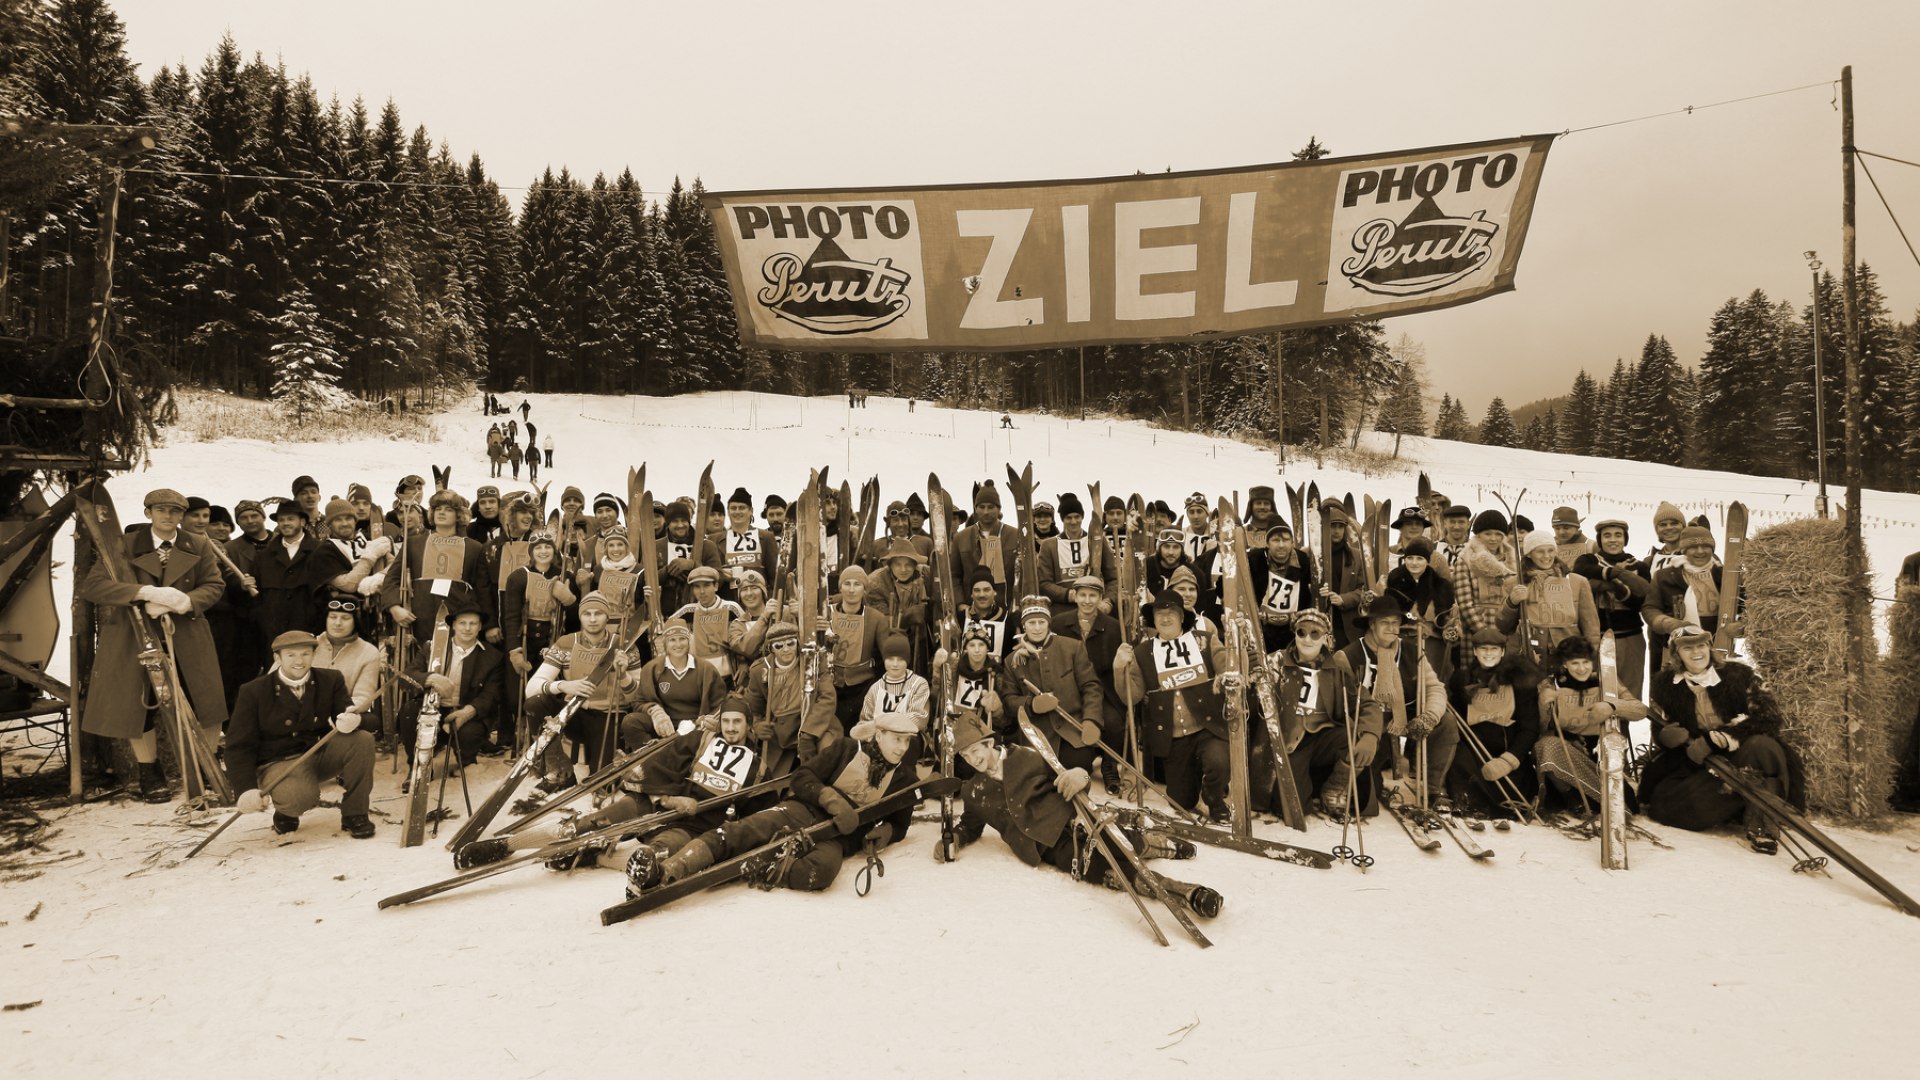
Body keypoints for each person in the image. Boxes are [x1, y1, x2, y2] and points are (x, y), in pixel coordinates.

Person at [952, 711, 1221, 917]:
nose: (972, 759)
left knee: (1121, 844)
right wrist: (953, 839)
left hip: (1074, 819)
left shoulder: (1028, 756)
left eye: (974, 751)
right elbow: (970, 825)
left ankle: (1159, 845)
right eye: (964, 756)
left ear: (988, 743)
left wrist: (1079, 776)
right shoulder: (973, 791)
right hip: (1046, 847)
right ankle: (1186, 893)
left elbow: (1067, 777)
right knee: (1107, 873)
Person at [77, 488, 231, 803]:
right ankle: (150, 772)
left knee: (207, 702)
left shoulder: (198, 544)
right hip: (133, 637)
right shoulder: (123, 544)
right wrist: (144, 592)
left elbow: (214, 585)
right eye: (161, 510)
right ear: (148, 513)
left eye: (175, 511)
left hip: (186, 633)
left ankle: (206, 764)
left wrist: (184, 600)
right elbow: (93, 587)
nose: (168, 516)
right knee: (139, 706)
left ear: (182, 517)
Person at [1639, 624, 1802, 853]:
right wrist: (1665, 737)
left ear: (1709, 647)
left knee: (1762, 746)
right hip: (1707, 764)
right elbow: (1661, 727)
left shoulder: (1740, 675)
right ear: (1677, 654)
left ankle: (1762, 823)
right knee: (1665, 806)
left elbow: (1769, 718)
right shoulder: (1665, 685)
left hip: (1747, 753)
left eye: (1701, 645)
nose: (1697, 652)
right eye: (1687, 648)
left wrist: (1723, 738)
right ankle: (1742, 801)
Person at [226, 630, 376, 839]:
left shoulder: (330, 680)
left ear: (314, 655)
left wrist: (356, 720)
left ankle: (355, 813)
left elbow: (360, 718)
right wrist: (245, 789)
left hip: (318, 752)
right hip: (279, 762)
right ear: (277, 658)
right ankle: (286, 811)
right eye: (291, 655)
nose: (299, 661)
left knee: (362, 740)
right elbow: (238, 746)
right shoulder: (254, 691)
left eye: (305, 654)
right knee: (297, 798)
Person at [1115, 590, 1238, 822]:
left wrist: (1233, 650)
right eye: (1160, 613)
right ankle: (1195, 792)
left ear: (1182, 617)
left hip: (1207, 726)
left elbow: (1227, 666)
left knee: (1219, 762)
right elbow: (1132, 696)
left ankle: (1213, 798)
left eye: (1172, 612)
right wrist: (1119, 668)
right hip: (1172, 736)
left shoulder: (1204, 640)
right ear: (1153, 619)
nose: (1165, 617)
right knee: (1181, 802)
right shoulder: (1143, 652)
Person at [1262, 607, 1380, 822]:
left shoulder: (1336, 667)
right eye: (1301, 632)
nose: (1307, 639)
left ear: (1325, 637)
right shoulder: (1276, 662)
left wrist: (1370, 734)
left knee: (1351, 737)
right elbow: (1255, 683)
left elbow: (1365, 703)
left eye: (1315, 634)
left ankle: (1335, 789)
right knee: (1292, 809)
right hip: (1291, 742)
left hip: (1324, 737)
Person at [1335, 596, 1446, 817]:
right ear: (1371, 624)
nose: (1391, 628)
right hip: (1366, 723)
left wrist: (1430, 716)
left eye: (1395, 623)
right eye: (1385, 622)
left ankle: (1433, 791)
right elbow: (1339, 705)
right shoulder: (1347, 656)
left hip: (1401, 716)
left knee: (1447, 722)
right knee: (1366, 799)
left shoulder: (1412, 652)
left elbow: (1435, 687)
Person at [524, 591, 640, 782]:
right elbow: (532, 688)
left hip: (608, 716)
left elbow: (637, 698)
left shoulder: (624, 646)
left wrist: (623, 676)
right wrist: (564, 686)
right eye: (587, 614)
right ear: (580, 616)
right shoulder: (566, 643)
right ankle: (559, 766)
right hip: (573, 714)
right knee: (536, 704)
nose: (593, 619)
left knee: (602, 782)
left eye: (598, 613)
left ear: (607, 616)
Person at [1533, 636, 1647, 813]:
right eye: (1575, 663)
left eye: (1586, 662)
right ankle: (1573, 800)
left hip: (1598, 753)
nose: (1581, 668)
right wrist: (1542, 704)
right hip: (1569, 753)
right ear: (1565, 664)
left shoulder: (1605, 681)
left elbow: (1640, 710)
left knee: (1627, 804)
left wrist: (1611, 706)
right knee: (1545, 745)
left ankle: (1598, 800)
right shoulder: (1552, 684)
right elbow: (1540, 729)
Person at [1445, 627, 1540, 817]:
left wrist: (1509, 760)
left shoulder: (1518, 682)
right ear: (1474, 651)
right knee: (1460, 763)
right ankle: (1468, 803)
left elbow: (1530, 727)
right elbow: (1458, 721)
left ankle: (1508, 806)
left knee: (1512, 783)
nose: (1489, 654)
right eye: (1483, 649)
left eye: (1494, 649)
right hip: (1475, 750)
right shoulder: (1463, 680)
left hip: (1506, 749)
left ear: (1503, 652)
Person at [402, 606, 505, 774]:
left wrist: (466, 713)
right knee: (409, 711)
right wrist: (429, 678)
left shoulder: (492, 656)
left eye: (473, 624)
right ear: (454, 626)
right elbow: (407, 676)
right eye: (462, 623)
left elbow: (491, 695)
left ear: (480, 627)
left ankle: (466, 761)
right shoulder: (433, 648)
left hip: (466, 710)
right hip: (433, 708)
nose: (467, 628)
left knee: (470, 733)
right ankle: (418, 767)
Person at [1050, 576, 1127, 793]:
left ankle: (1110, 766)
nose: (1087, 600)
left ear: (1100, 598)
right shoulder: (1059, 623)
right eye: (1082, 595)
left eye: (1092, 595)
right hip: (1068, 689)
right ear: (1074, 596)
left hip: (1102, 690)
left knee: (1113, 722)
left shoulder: (1113, 627)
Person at [1571, 519, 1652, 698]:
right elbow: (1579, 572)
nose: (1612, 540)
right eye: (1607, 536)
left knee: (1630, 691)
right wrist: (1612, 575)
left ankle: (1625, 726)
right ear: (1600, 540)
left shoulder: (1638, 566)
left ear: (1625, 539)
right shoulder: (1589, 560)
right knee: (1599, 690)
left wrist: (1619, 589)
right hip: (1596, 637)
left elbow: (1641, 600)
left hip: (1630, 637)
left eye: (1618, 535)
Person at [1501, 534, 1601, 660]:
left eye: (1551, 550)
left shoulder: (1577, 582)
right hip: (1528, 657)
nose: (1547, 556)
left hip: (1569, 656)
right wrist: (1511, 603)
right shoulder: (1514, 583)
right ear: (1529, 554)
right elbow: (1503, 626)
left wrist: (1591, 657)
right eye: (1540, 551)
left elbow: (1591, 627)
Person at [825, 565, 891, 735]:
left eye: (857, 584)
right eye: (847, 584)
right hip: (829, 684)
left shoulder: (876, 618)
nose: (852, 590)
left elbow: (887, 657)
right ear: (840, 587)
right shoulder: (826, 613)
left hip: (861, 686)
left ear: (864, 589)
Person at [312, 596, 383, 714]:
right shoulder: (307, 645)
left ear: (356, 621)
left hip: (341, 718)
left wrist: (341, 713)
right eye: (332, 617)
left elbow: (362, 698)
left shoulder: (369, 652)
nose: (338, 623)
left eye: (345, 618)